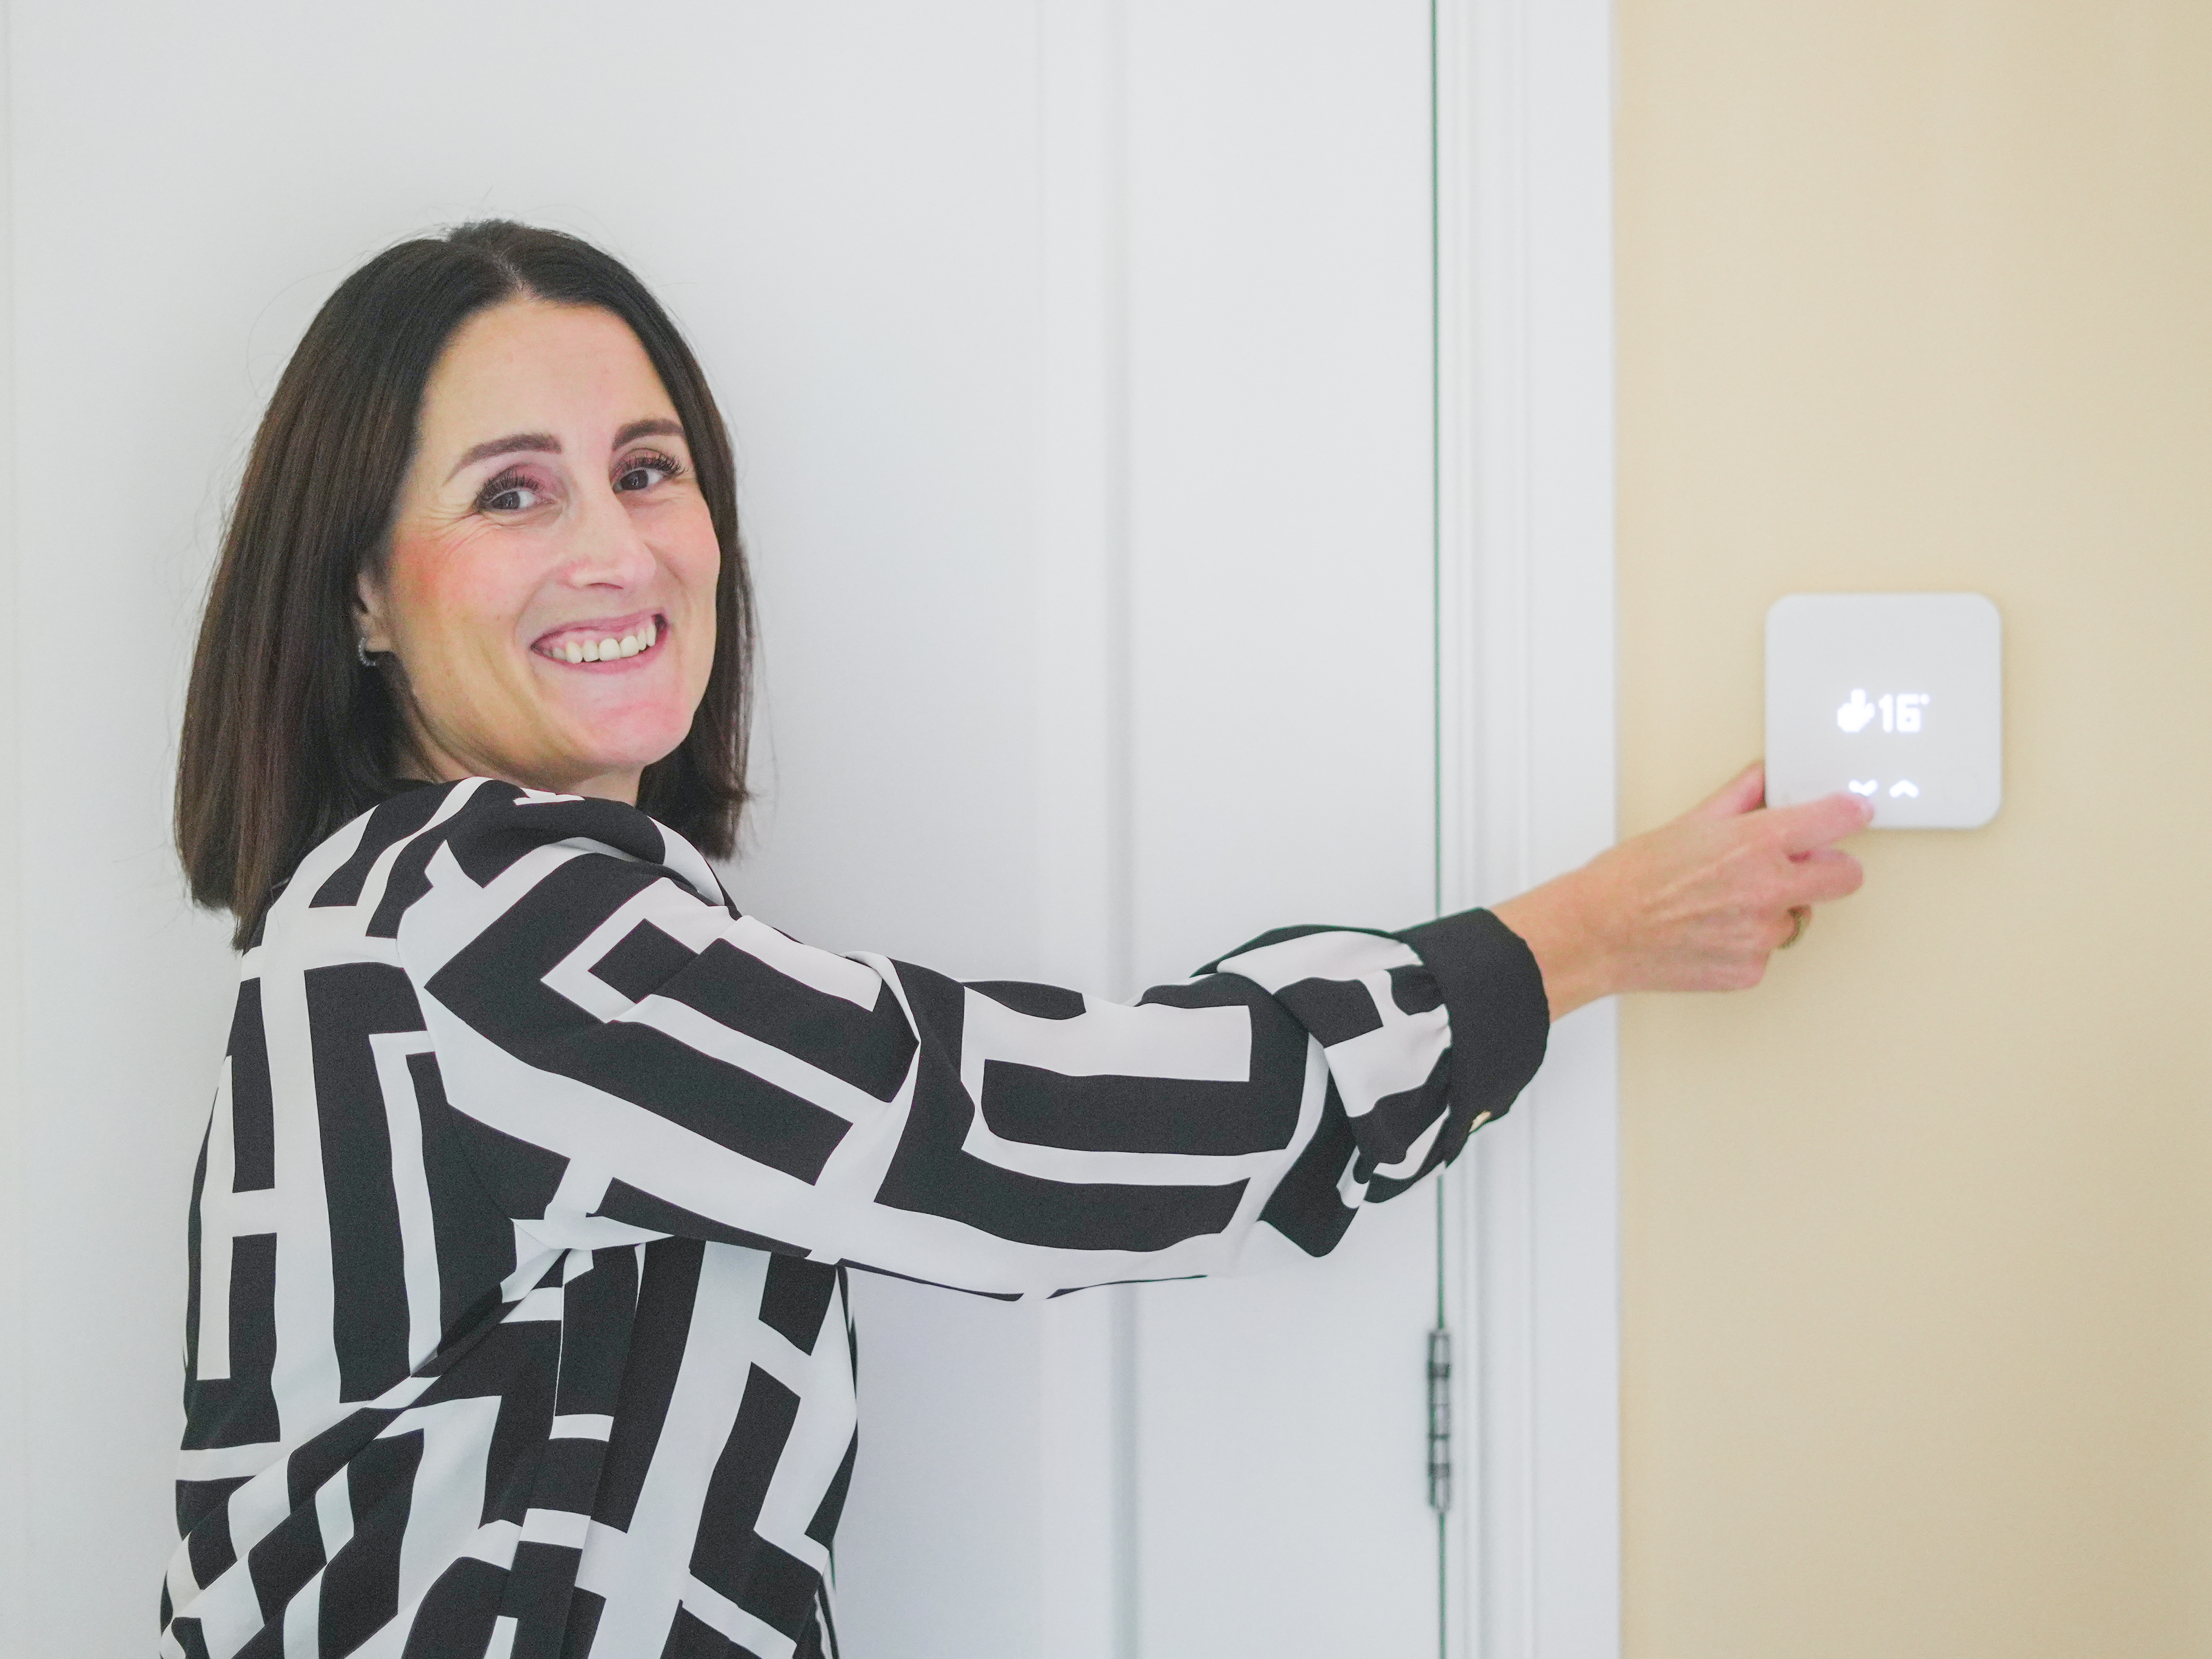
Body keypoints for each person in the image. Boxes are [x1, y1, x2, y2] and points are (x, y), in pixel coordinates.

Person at [161, 221, 1870, 1659]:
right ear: (364, 593)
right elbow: (1014, 1131)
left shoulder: (407, 909)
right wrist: (1578, 936)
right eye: (513, 493)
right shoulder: (486, 909)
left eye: (647, 469)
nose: (617, 547)